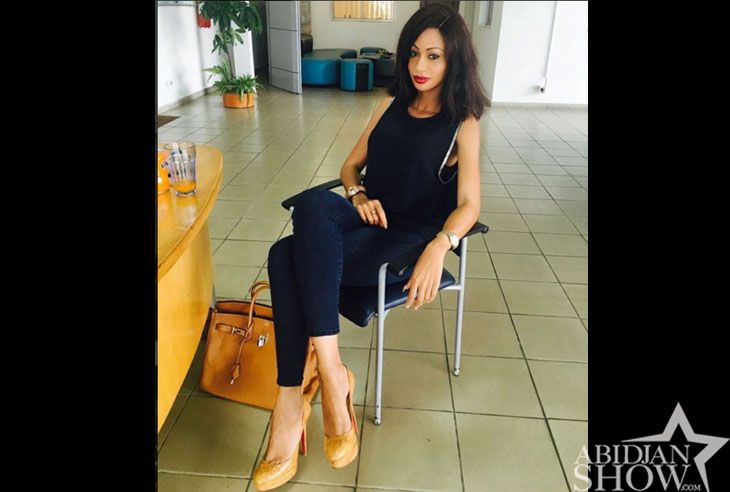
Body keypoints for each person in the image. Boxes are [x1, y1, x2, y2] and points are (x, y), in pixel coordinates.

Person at [252, 3, 488, 490]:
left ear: (455, 60)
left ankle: (290, 400)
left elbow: (469, 205)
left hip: (405, 241)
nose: (419, 66)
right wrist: (358, 195)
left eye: (434, 56)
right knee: (313, 204)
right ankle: (332, 373)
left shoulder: (462, 123)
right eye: (413, 54)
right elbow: (348, 168)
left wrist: (439, 246)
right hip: (367, 220)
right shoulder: (389, 105)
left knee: (283, 255)